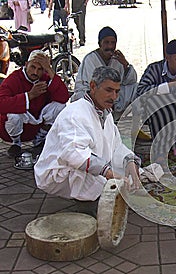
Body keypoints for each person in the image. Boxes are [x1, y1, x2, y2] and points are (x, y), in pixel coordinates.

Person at [34, 66, 141, 215]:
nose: (114, 97)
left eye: (117, 91)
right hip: (57, 173)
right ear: (92, 86)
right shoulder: (75, 114)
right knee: (87, 170)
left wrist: (130, 162)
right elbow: (74, 154)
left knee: (124, 169)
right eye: (109, 90)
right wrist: (110, 174)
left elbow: (116, 145)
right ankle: (86, 208)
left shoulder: (106, 113)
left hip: (86, 164)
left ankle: (97, 192)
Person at [0, 50, 69, 158]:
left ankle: (40, 139)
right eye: (33, 67)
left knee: (60, 107)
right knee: (13, 115)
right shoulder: (14, 79)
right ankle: (16, 143)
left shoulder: (45, 78)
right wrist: (29, 95)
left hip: (37, 124)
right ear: (26, 64)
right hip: (15, 127)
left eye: (40, 69)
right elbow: (2, 104)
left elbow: (64, 97)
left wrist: (50, 70)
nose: (35, 72)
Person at [71, 26, 138, 120]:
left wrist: (125, 64)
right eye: (106, 42)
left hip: (115, 98)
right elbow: (82, 86)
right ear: (100, 44)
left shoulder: (118, 59)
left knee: (136, 88)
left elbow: (131, 82)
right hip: (95, 96)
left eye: (113, 43)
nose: (110, 46)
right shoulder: (90, 59)